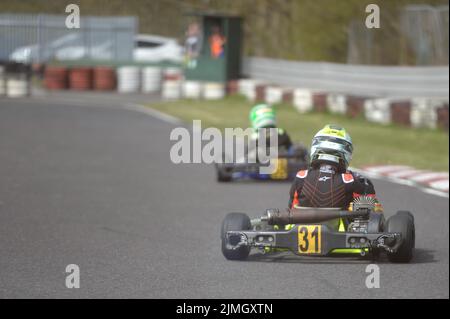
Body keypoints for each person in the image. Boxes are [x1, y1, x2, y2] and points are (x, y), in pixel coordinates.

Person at [288, 124, 382, 214]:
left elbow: (292, 208)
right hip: (339, 228)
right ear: (345, 151)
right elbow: (372, 209)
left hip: (299, 226)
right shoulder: (351, 180)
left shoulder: (301, 176)